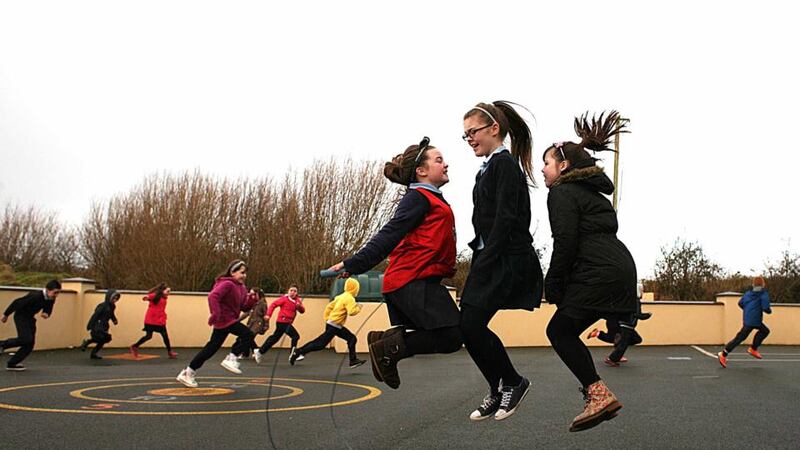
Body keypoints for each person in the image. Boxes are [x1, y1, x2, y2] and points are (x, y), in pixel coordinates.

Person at [327, 137, 463, 390]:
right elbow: (389, 234)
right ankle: (386, 348)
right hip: (411, 280)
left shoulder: (431, 198)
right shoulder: (418, 197)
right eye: (439, 160)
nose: (446, 164)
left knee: (450, 336)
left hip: (418, 279)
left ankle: (386, 344)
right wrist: (354, 263)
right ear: (421, 171)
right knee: (452, 336)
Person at [541, 111, 633, 432]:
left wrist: (552, 283)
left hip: (600, 271)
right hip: (618, 270)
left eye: (547, 163)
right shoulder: (592, 193)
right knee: (565, 329)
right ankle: (598, 392)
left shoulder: (561, 193)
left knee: (559, 331)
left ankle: (597, 394)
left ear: (563, 167)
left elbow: (565, 240)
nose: (542, 169)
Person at [459, 101, 544, 421]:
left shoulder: (504, 165)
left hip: (504, 259)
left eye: (473, 132)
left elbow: (507, 219)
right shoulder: (489, 166)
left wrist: (486, 259)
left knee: (470, 324)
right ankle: (498, 388)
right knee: (468, 327)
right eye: (465, 135)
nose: (470, 139)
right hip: (489, 255)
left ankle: (513, 382)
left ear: (494, 129)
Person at [176, 260, 256, 388]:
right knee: (248, 334)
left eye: (246, 273)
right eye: (242, 273)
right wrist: (215, 313)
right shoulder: (227, 284)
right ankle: (232, 357)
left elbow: (243, 307)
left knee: (211, 348)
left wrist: (252, 300)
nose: (244, 276)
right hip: (224, 318)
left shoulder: (241, 288)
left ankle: (188, 372)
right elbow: (213, 296)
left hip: (229, 319)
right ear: (233, 272)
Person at [289, 277, 366, 368]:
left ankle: (353, 360)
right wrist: (358, 307)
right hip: (335, 326)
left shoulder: (340, 296)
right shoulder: (349, 298)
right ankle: (297, 352)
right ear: (355, 288)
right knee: (320, 344)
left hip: (334, 324)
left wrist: (327, 319)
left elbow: (329, 307)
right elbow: (352, 312)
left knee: (351, 338)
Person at [0, 279, 61, 371]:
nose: (56, 295)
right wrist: (6, 314)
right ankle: (2, 344)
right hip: (21, 316)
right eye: (55, 292)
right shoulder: (35, 296)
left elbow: (49, 306)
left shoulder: (51, 298)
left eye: (58, 293)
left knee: (30, 344)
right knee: (25, 338)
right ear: (48, 290)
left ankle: (12, 364)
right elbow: (17, 302)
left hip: (30, 318)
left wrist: (46, 313)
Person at [717, 276, 772, 368]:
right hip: (755, 320)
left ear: (753, 285)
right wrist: (769, 311)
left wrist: (747, 310)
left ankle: (725, 353)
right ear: (763, 284)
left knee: (741, 337)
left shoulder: (748, 294)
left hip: (747, 319)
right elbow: (766, 307)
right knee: (764, 331)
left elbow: (740, 303)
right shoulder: (763, 294)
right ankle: (750, 349)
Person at [253, 284, 304, 364]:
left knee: (274, 338)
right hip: (282, 322)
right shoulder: (284, 299)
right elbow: (273, 305)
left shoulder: (297, 301)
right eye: (291, 290)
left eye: (295, 291)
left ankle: (260, 351)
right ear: (288, 291)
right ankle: (293, 354)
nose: (293, 293)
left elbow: (302, 311)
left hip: (287, 323)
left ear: (297, 293)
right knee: (295, 336)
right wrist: (268, 315)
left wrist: (299, 306)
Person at [130, 283, 177, 359]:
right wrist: (146, 297)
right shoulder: (156, 296)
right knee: (148, 336)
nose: (169, 293)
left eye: (169, 291)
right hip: (151, 320)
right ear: (162, 290)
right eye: (167, 291)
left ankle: (170, 352)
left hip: (160, 320)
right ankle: (135, 346)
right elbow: (149, 296)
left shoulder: (164, 298)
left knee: (165, 336)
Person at [81, 289, 120, 359]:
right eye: (114, 298)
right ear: (109, 297)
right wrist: (90, 325)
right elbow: (95, 315)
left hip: (105, 325)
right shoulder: (102, 306)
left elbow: (111, 314)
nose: (115, 300)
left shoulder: (113, 306)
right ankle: (87, 343)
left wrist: (114, 320)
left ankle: (93, 352)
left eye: (116, 299)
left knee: (104, 340)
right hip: (97, 325)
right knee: (99, 338)